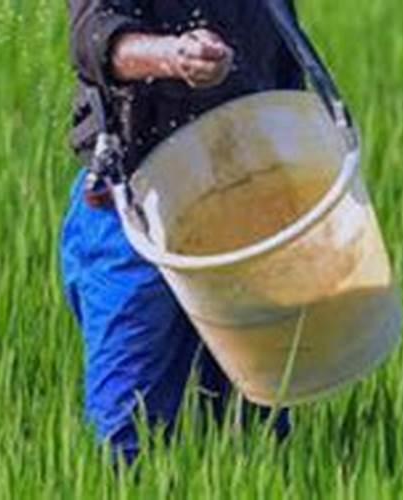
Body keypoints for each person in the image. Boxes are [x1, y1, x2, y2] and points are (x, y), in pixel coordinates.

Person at [62, 0, 304, 465]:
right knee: (128, 434)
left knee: (254, 425)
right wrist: (173, 56)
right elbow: (95, 37)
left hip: (246, 198)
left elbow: (284, 60)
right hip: (134, 208)